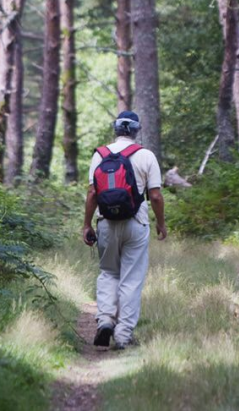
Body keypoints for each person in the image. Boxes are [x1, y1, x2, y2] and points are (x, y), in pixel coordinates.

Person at [82, 110, 167, 350]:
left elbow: (92, 194)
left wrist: (87, 224)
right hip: (136, 224)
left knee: (108, 273)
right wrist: (161, 223)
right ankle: (123, 335)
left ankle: (106, 320)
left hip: (106, 223)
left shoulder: (100, 155)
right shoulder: (146, 155)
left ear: (116, 130)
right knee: (131, 279)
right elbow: (156, 196)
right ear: (137, 131)